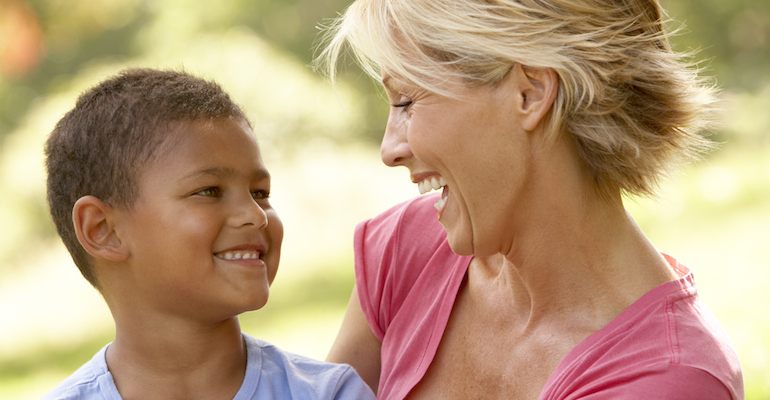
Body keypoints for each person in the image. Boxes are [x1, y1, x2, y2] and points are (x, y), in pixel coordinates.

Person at [316, 0, 744, 399]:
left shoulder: (665, 378)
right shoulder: (407, 247)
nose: (390, 149)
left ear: (531, 93)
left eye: (407, 100)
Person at [42, 68, 376, 400]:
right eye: (210, 191)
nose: (255, 215)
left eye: (260, 192)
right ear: (103, 230)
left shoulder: (331, 393)